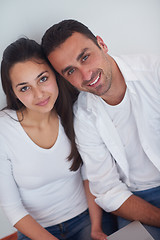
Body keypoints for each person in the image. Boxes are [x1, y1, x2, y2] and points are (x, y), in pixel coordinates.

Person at [41, 19, 160, 239]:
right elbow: (108, 191)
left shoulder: (154, 72)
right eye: (70, 71)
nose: (86, 76)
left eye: (85, 57)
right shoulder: (83, 116)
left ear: (101, 44)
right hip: (136, 201)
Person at [0, 38, 111, 240]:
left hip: (87, 217)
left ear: (55, 74)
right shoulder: (3, 131)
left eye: (43, 79)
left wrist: (96, 228)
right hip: (37, 230)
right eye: (24, 88)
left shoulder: (75, 111)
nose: (39, 94)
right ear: (13, 93)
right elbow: (13, 209)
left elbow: (89, 177)